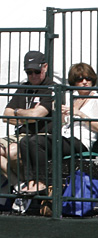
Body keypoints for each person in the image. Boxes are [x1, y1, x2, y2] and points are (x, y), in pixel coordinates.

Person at [15, 63, 98, 196]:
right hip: (65, 136)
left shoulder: (96, 99)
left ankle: (43, 180)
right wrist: (62, 116)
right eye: (80, 79)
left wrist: (80, 114)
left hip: (81, 141)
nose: (84, 82)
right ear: (73, 82)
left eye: (88, 78)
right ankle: (30, 181)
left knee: (37, 142)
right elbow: (64, 123)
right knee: (25, 141)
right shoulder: (72, 98)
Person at [1, 51, 54, 189]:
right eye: (29, 72)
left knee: (12, 152)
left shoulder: (51, 88)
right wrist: (26, 117)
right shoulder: (23, 88)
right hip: (20, 134)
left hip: (40, 136)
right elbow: (6, 115)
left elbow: (37, 114)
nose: (33, 75)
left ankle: (27, 184)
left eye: (36, 71)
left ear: (45, 67)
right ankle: (19, 184)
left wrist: (18, 113)